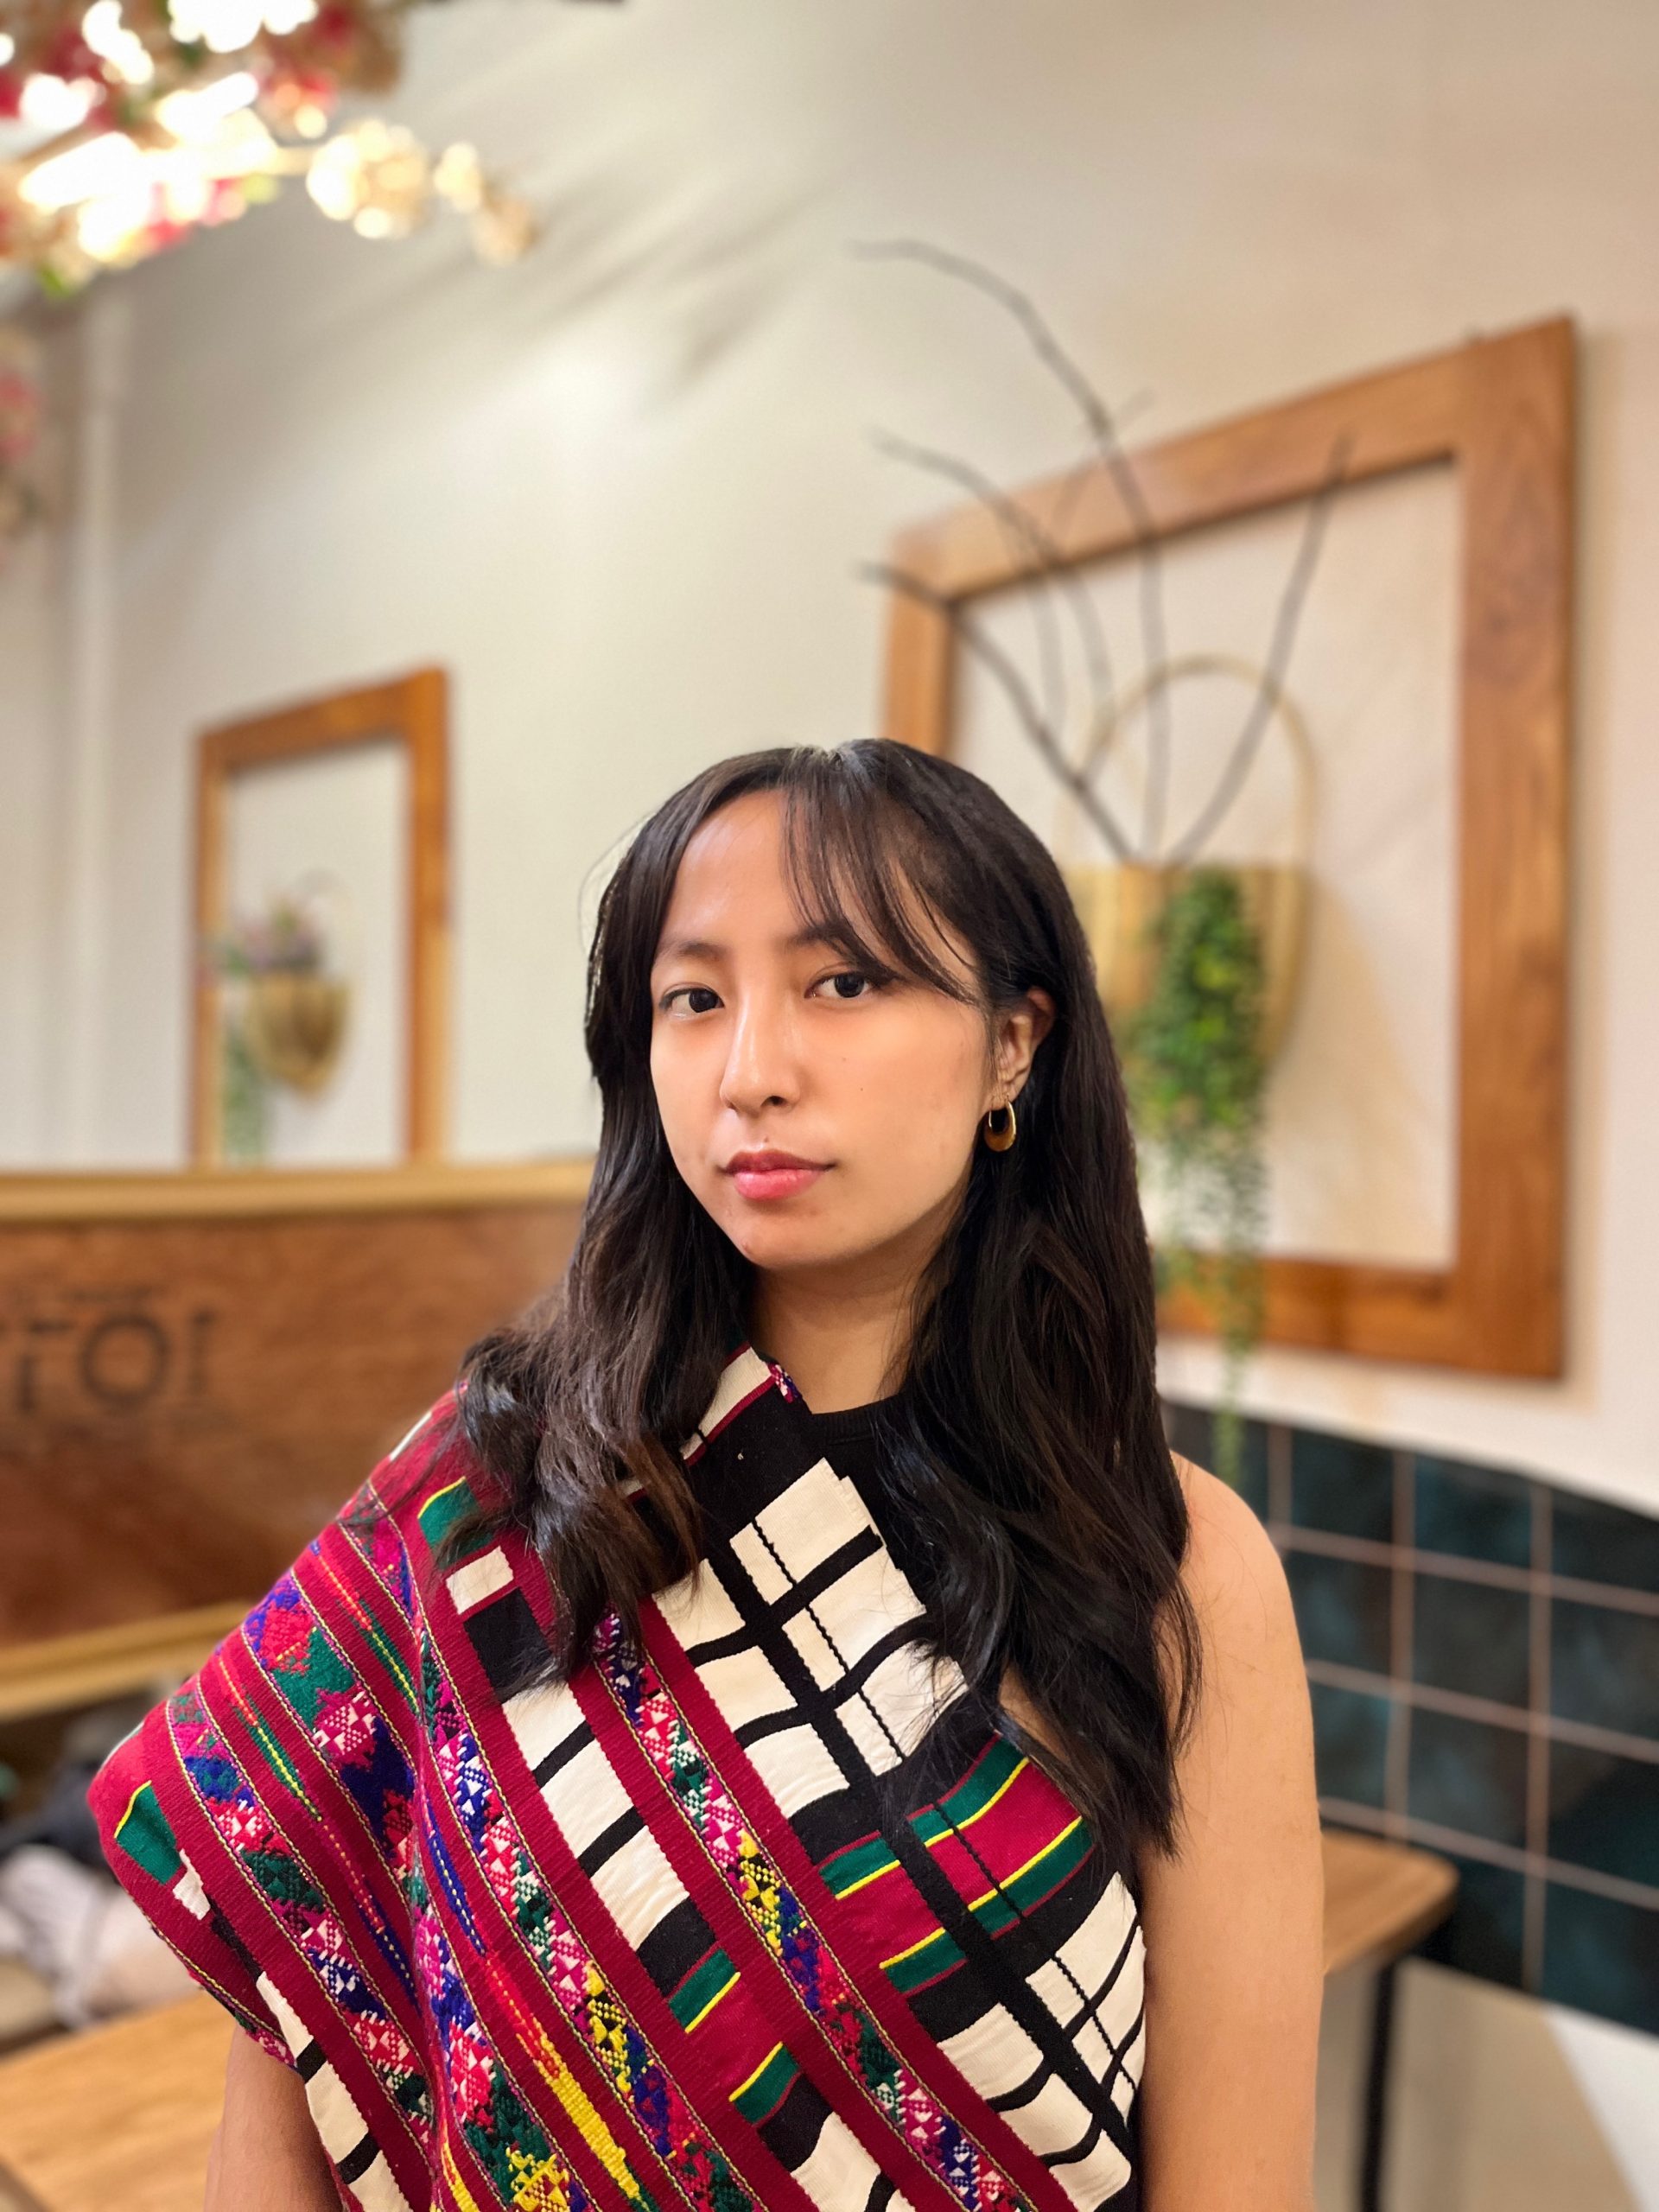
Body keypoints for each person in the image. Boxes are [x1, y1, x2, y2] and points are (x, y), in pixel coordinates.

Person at [90, 740, 1322, 2212]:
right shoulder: (484, 1504)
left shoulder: (1176, 1566)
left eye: (843, 982)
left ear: (1014, 1043)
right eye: (695, 998)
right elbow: (296, 2034)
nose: (752, 1072)